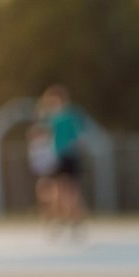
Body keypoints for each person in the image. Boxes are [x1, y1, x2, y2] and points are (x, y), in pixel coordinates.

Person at [38, 84, 87, 239]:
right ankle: (69, 220)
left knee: (67, 190)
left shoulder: (59, 118)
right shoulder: (68, 116)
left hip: (65, 157)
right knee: (63, 190)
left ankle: (69, 220)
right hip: (61, 157)